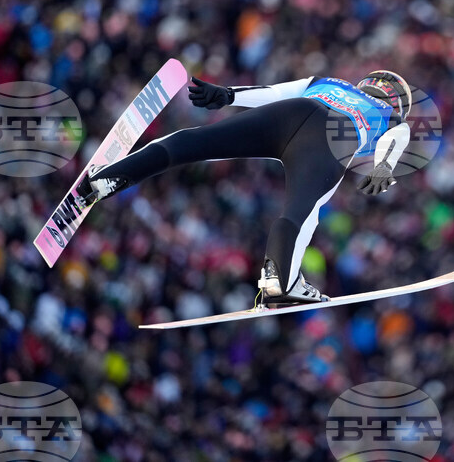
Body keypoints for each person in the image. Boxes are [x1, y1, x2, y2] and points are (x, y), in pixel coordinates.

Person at [76, 71, 414, 304]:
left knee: (194, 142)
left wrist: (227, 95)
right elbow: (399, 136)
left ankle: (109, 177)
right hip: (336, 137)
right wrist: (385, 165)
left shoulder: (331, 82)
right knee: (301, 212)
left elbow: (275, 92)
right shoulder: (388, 115)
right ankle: (280, 280)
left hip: (290, 113)